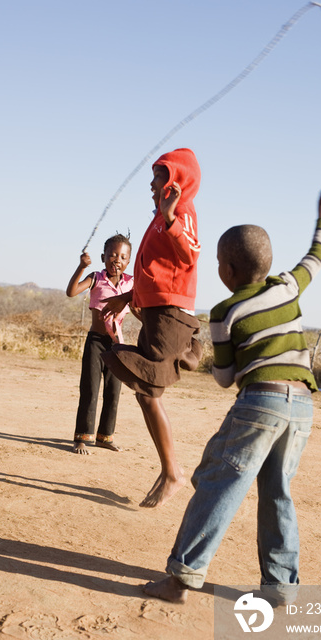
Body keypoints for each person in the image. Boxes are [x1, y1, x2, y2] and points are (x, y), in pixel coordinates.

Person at [144, 183, 321, 604]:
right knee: (277, 491)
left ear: (227, 271)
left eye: (217, 262)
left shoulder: (224, 312)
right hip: (302, 405)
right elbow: (317, 256)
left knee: (218, 481)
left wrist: (198, 355)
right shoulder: (288, 286)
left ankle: (182, 578)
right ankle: (282, 587)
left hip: (260, 402)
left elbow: (226, 378)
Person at [101, 148, 203, 508]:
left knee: (147, 391)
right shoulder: (160, 218)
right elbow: (154, 271)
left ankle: (173, 472)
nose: (151, 183)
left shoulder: (181, 214)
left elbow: (191, 253)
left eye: (158, 177)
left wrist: (172, 215)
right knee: (146, 394)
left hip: (170, 315)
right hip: (157, 315)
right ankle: (169, 470)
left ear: (174, 182)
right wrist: (127, 297)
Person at [66, 233, 134, 454]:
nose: (117, 260)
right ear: (103, 256)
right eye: (112, 255)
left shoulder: (132, 284)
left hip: (118, 346)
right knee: (90, 389)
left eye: (123, 257)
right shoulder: (96, 278)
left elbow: (141, 307)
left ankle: (105, 436)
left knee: (113, 392)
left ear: (129, 261)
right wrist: (81, 267)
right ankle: (82, 437)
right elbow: (71, 292)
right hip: (96, 342)